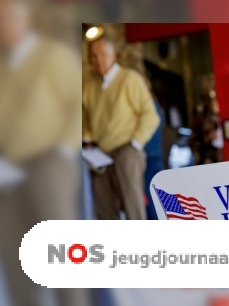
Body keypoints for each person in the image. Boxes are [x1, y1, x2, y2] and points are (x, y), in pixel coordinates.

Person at [0, 0, 87, 305]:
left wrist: (62, 151)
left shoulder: (52, 56)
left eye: (8, 17)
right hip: (8, 167)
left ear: (25, 20)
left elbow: (77, 103)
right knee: (12, 249)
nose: (3, 26)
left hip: (49, 161)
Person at [82, 36, 160, 220]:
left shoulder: (129, 79)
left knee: (132, 206)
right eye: (93, 56)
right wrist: (87, 141)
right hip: (100, 154)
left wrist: (135, 144)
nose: (98, 60)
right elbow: (85, 118)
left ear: (113, 56)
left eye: (102, 54)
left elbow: (150, 115)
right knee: (103, 207)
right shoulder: (90, 86)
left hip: (127, 150)